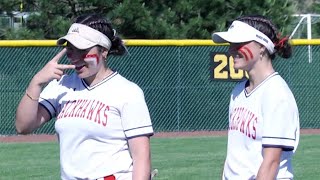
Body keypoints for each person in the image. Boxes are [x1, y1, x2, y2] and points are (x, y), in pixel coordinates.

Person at [15, 13, 154, 180]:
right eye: (71, 49)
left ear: (103, 51)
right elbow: (23, 126)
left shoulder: (127, 92)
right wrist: (36, 82)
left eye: (83, 50)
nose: (74, 57)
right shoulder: (61, 85)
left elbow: (141, 158)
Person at [212, 15, 300, 180]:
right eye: (231, 45)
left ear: (262, 46)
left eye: (239, 44)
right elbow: (235, 157)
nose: (231, 50)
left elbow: (271, 162)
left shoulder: (276, 93)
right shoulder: (238, 90)